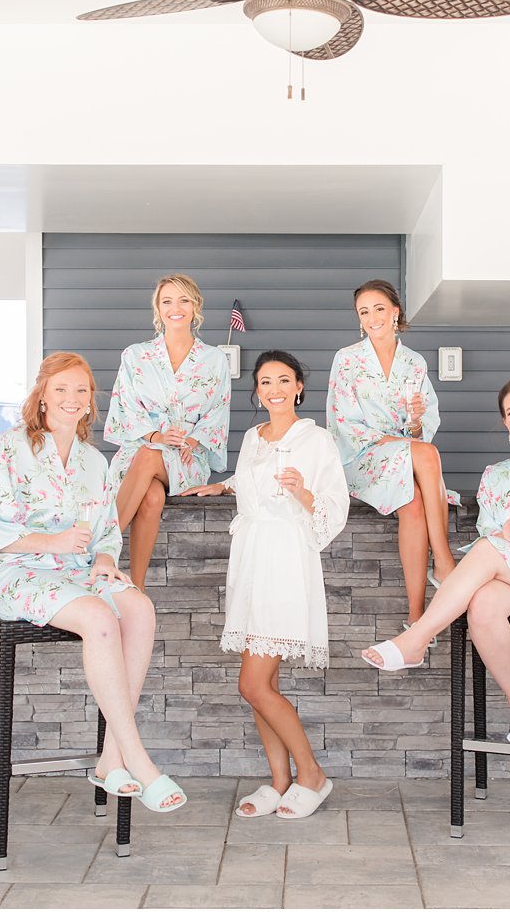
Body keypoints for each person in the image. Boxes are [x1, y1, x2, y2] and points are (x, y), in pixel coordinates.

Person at [0, 352, 186, 813]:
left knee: (139, 607)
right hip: (10, 572)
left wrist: (105, 559)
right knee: (99, 616)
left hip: (73, 572)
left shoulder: (92, 461)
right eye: (60, 389)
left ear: (90, 403)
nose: (71, 398)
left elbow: (105, 531)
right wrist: (53, 540)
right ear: (42, 396)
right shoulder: (9, 449)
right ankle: (139, 760)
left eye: (81, 390)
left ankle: (110, 760)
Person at [360, 377, 510, 752]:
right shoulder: (496, 475)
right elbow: (488, 530)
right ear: (505, 423)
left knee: (491, 549)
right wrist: (505, 533)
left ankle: (416, 638)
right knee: (484, 604)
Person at [182, 350, 349, 819]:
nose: (274, 389)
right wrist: (224, 486)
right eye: (265, 382)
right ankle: (279, 782)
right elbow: (252, 480)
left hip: (286, 560)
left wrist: (303, 491)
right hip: (251, 557)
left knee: (253, 684)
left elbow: (335, 505)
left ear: (299, 386)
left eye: (283, 380)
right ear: (257, 391)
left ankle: (312, 773)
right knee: (265, 681)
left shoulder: (317, 440)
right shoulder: (254, 437)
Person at [327, 278, 457, 626]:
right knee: (427, 454)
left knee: (413, 503)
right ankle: (443, 562)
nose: (372, 317)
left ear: (395, 312)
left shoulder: (414, 363)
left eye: (379, 309)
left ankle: (416, 617)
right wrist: (398, 442)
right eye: (364, 311)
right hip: (361, 457)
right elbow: (342, 422)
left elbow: (424, 421)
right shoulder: (347, 360)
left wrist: (414, 422)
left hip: (402, 456)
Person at [104, 273, 231, 589]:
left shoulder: (214, 360)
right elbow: (125, 407)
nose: (176, 307)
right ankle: (137, 588)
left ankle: (99, 551)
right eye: (167, 301)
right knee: (151, 496)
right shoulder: (136, 355)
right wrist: (155, 437)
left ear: (195, 306)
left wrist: (188, 439)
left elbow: (218, 413)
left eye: (184, 300)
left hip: (188, 456)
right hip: (141, 451)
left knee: (149, 459)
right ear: (158, 309)